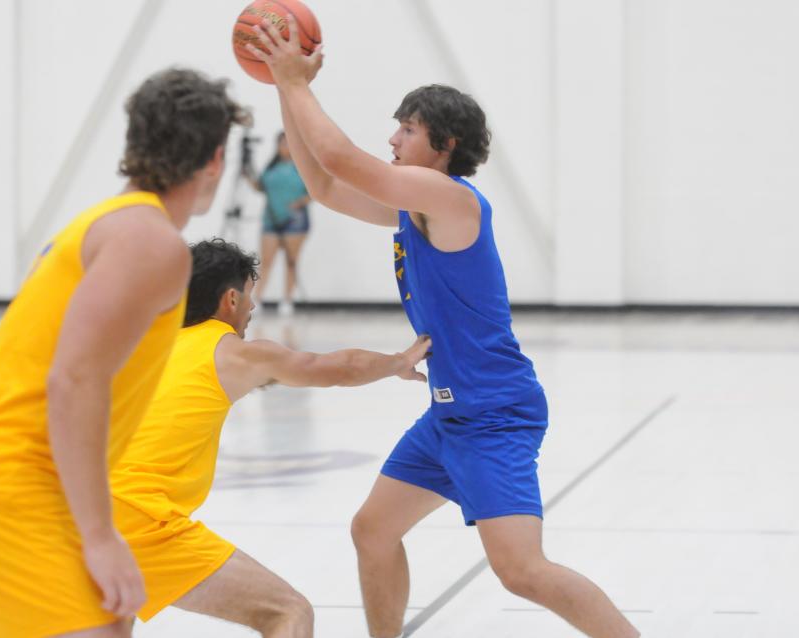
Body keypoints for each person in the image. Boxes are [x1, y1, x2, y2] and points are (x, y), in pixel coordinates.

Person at [246, 19, 640, 638]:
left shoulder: (453, 200)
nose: (394, 138)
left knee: (522, 571)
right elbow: (323, 183)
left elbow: (343, 158)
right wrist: (280, 85)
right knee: (372, 530)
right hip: (450, 412)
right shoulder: (412, 207)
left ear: (445, 145)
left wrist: (296, 82)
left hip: (494, 411)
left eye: (408, 129)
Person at [0, 68, 247, 638]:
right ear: (215, 159)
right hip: (9, 486)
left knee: (113, 623)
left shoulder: (104, 224)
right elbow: (75, 380)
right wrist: (99, 534)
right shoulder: (151, 242)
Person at [108, 238, 431, 637]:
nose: (252, 309)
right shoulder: (235, 354)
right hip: (142, 522)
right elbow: (337, 368)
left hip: (76, 520)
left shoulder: (147, 347)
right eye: (249, 297)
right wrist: (399, 361)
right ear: (230, 299)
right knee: (288, 613)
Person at [244, 131, 311, 316]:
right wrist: (247, 174)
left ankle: (287, 300)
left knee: (291, 261)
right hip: (271, 219)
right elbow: (261, 187)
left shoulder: (302, 167)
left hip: (294, 220)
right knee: (266, 261)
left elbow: (315, 191)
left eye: (288, 143)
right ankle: (257, 298)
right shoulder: (271, 167)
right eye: (282, 143)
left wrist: (299, 203)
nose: (284, 147)